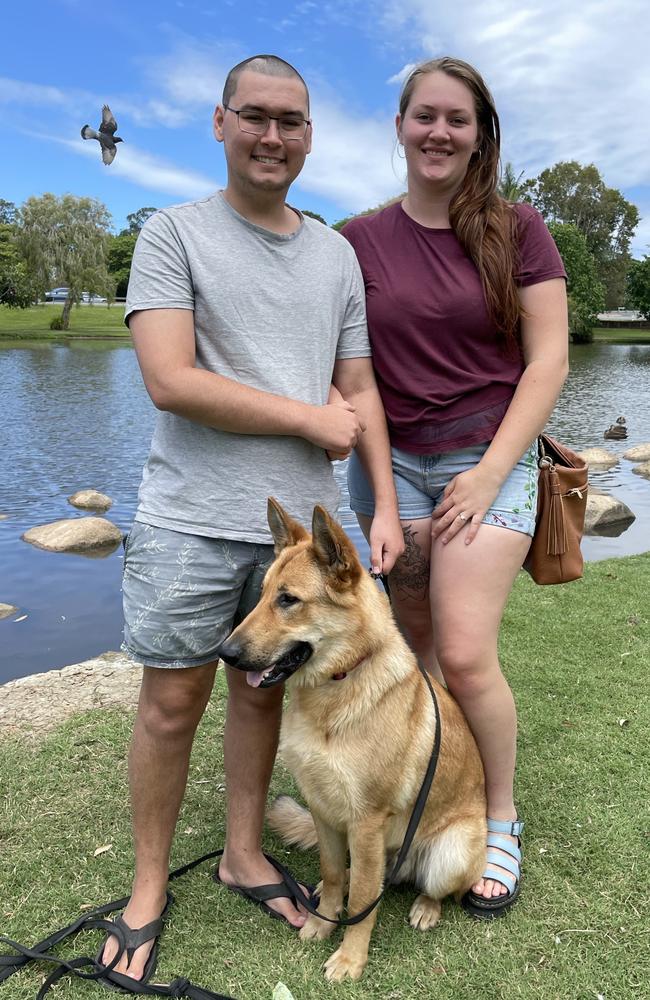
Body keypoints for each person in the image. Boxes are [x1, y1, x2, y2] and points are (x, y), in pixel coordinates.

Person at [100, 53, 403, 985]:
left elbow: (360, 387)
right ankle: (148, 888)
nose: (274, 136)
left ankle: (242, 853)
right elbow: (170, 378)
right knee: (171, 701)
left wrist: (385, 503)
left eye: (292, 122)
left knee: (261, 693)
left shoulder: (335, 254)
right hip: (192, 516)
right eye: (257, 117)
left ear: (311, 135)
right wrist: (308, 420)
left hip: (299, 545)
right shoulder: (172, 233)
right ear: (222, 123)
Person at [342, 56, 568, 918]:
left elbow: (547, 362)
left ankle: (499, 818)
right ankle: (428, 800)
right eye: (424, 115)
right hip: (391, 463)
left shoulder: (519, 229)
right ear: (400, 125)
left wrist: (486, 471)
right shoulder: (358, 241)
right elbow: (353, 374)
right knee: (416, 656)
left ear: (481, 134)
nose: (440, 132)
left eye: (458, 119)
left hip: (490, 453)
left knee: (466, 656)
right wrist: (390, 504)